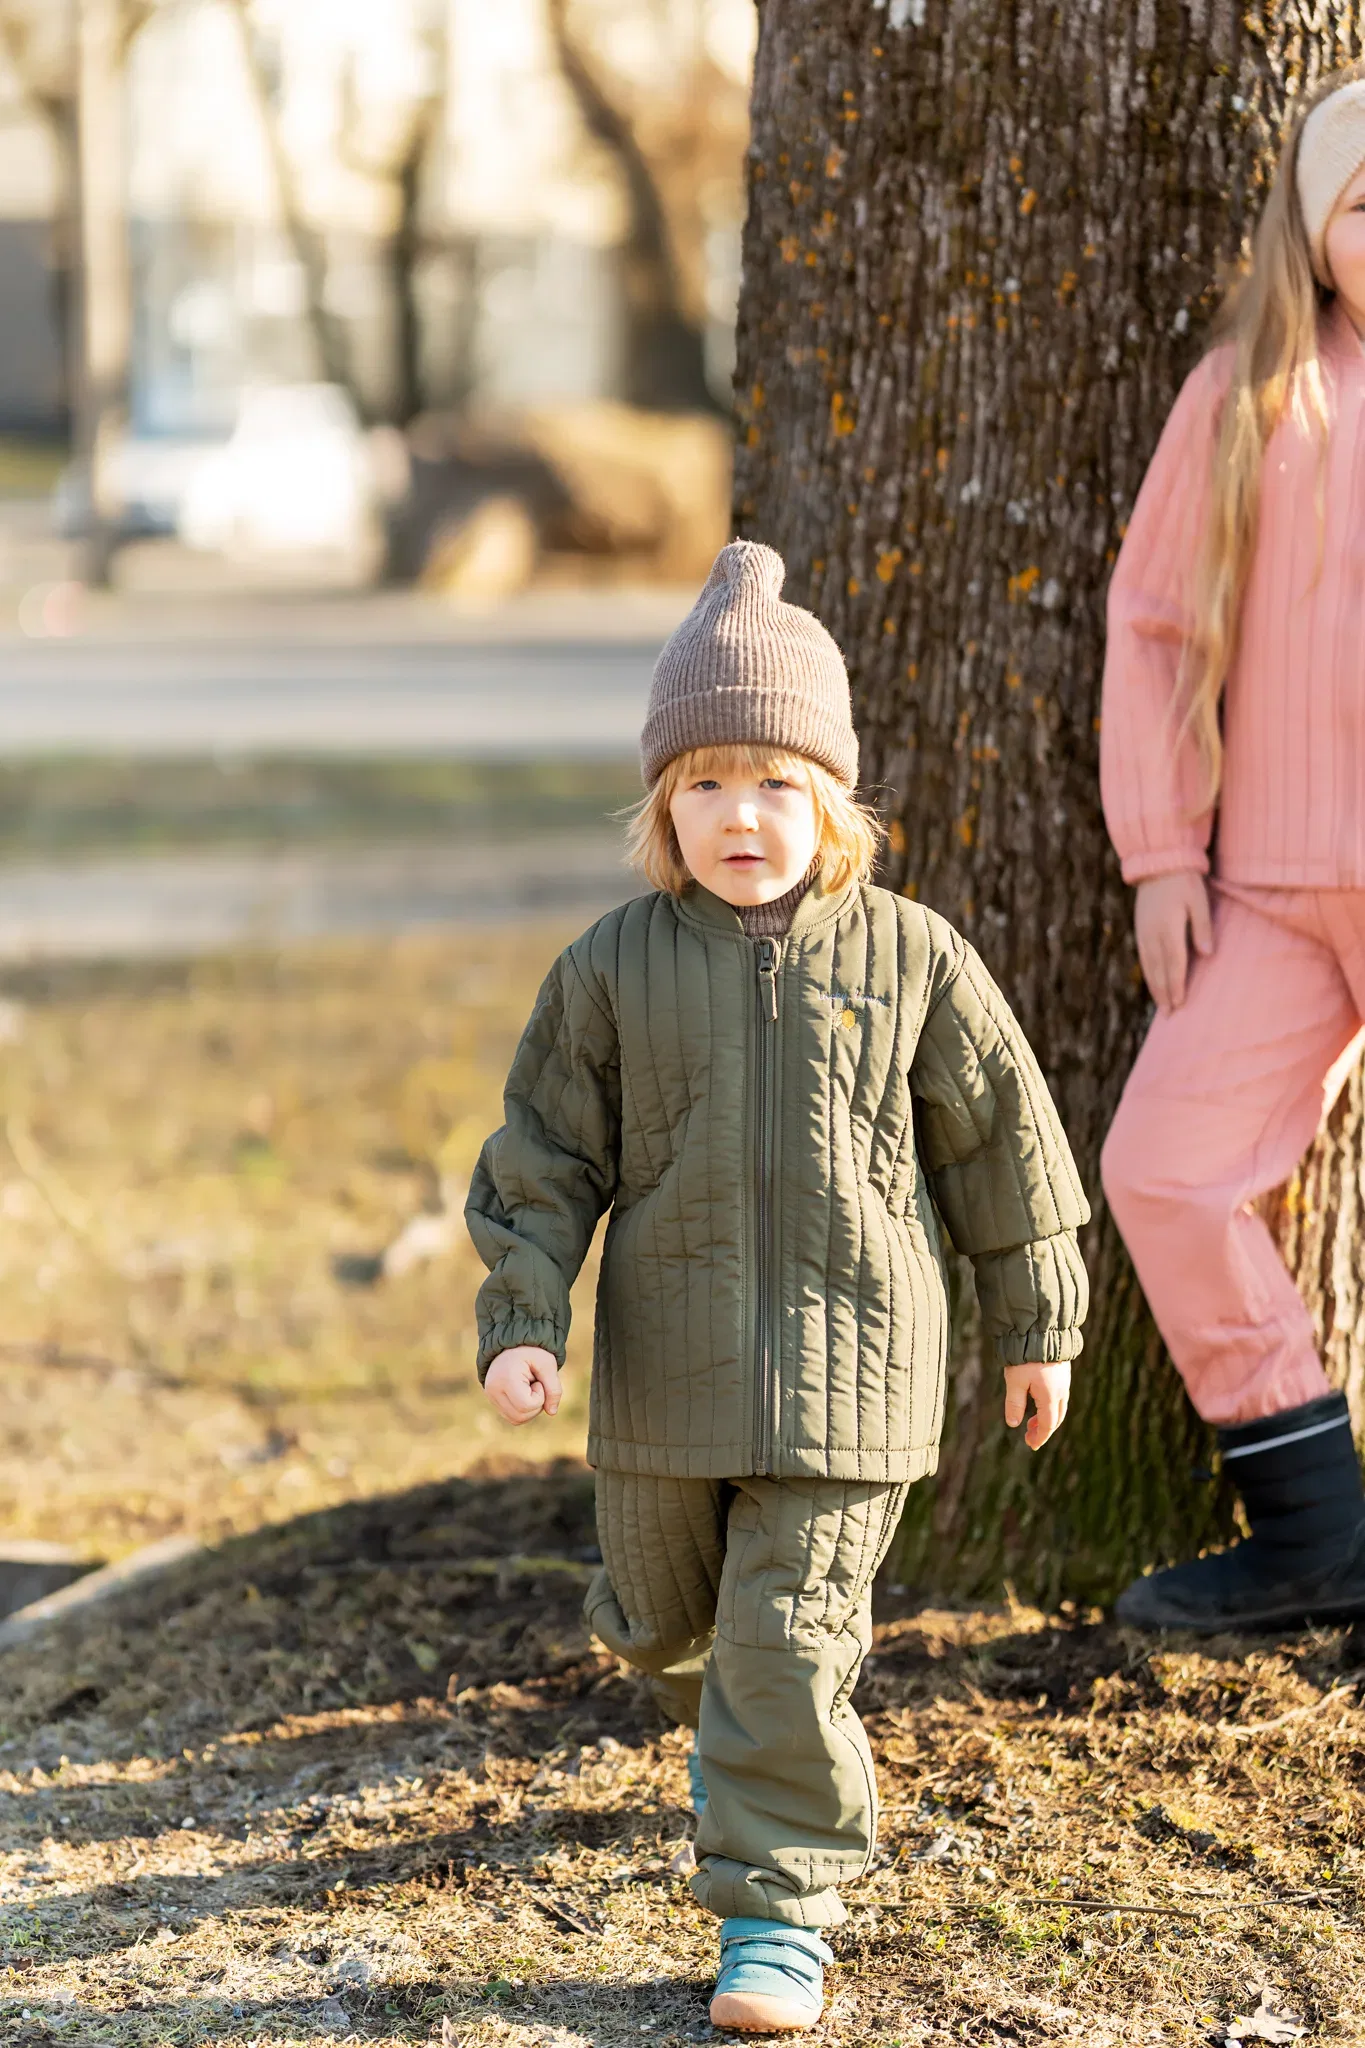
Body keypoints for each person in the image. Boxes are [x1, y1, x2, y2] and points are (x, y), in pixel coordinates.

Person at [466, 540, 1089, 2033]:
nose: (740, 813)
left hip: (855, 1378)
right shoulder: (610, 968)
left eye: (774, 781)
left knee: (788, 1645)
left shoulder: (915, 958)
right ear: (661, 806)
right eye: (704, 782)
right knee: (656, 1622)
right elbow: (543, 1158)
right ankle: (746, 1744)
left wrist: (1038, 1326)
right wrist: (523, 1322)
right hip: (665, 1383)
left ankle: (779, 1914)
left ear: (834, 802)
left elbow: (1006, 1150)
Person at [1100, 66, 1365, 1632]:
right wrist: (1160, 852)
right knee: (1166, 1169)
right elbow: (1156, 631)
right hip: (1263, 888)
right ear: (1315, 230)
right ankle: (1316, 1532)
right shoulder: (1251, 395)